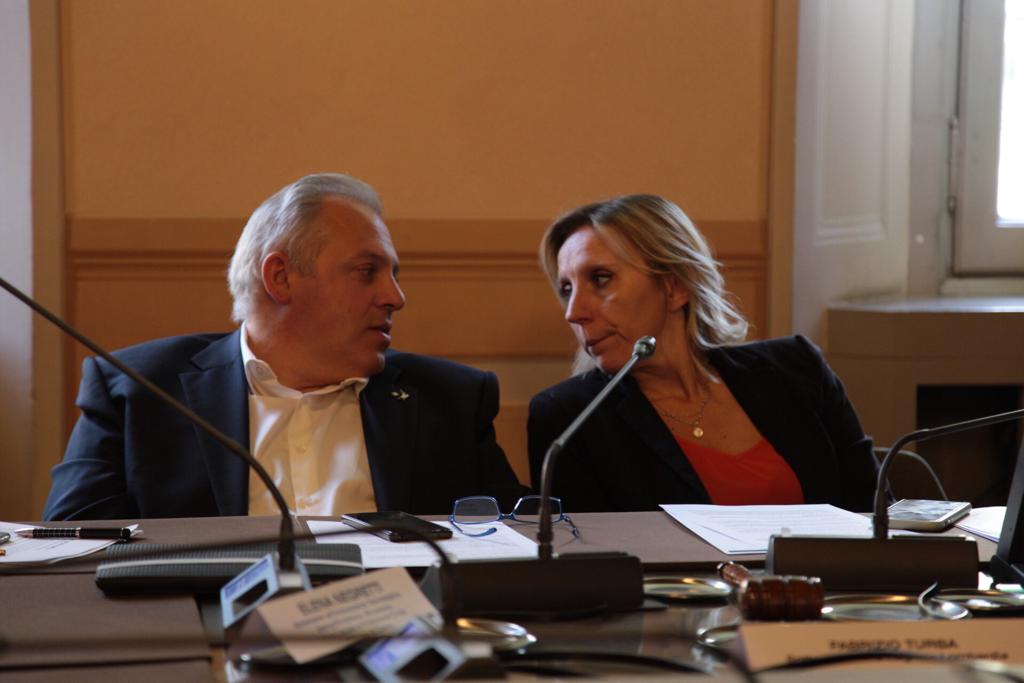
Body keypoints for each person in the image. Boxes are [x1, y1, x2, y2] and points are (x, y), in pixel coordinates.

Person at [44, 173, 526, 520]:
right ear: (280, 277)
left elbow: (519, 539)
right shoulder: (139, 390)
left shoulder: (449, 400)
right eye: (367, 272)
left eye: (393, 274)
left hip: (399, 628)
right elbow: (72, 548)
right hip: (204, 626)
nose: (395, 297)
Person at [527, 194, 876, 513]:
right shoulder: (570, 418)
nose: (573, 312)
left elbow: (875, 516)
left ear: (676, 286)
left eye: (601, 279)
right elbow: (592, 556)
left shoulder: (796, 368)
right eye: (566, 289)